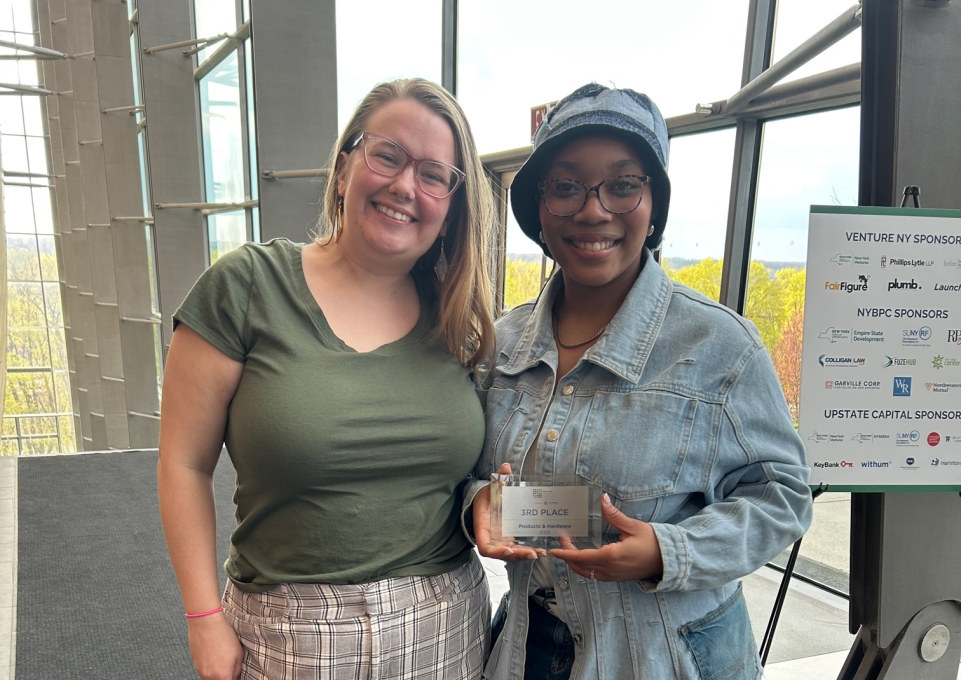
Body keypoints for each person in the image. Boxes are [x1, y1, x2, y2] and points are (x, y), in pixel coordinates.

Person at [469, 83, 813, 680]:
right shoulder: (499, 346)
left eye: (623, 184)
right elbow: (466, 474)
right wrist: (479, 501)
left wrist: (669, 550)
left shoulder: (719, 347)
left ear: (654, 204)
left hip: (668, 656)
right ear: (539, 206)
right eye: (566, 185)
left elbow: (783, 495)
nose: (592, 210)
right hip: (528, 643)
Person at [158, 78, 496, 680]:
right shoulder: (246, 287)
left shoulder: (459, 323)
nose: (403, 186)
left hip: (445, 627)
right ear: (344, 168)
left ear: (451, 209)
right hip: (289, 633)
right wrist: (202, 615)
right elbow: (183, 464)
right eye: (386, 155)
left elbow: (470, 481)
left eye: (433, 174)